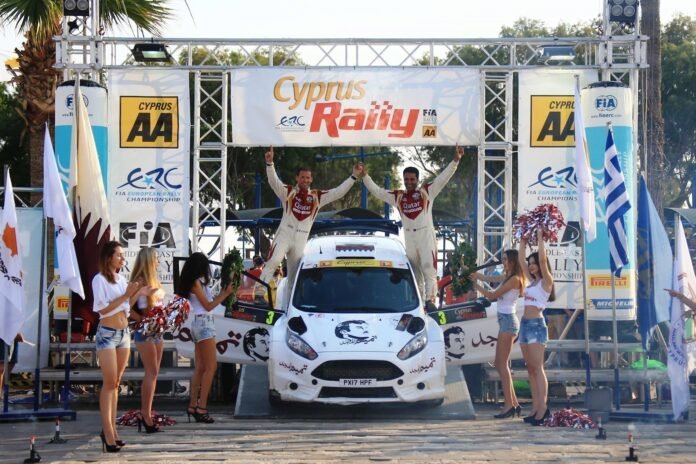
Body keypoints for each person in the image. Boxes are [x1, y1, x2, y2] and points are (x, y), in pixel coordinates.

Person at [362, 146, 463, 309]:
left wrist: (455, 161)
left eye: (412, 179)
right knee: (415, 273)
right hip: (409, 237)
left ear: (417, 179)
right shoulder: (398, 196)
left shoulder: (426, 192)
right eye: (406, 179)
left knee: (429, 269)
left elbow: (442, 179)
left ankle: (430, 302)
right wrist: (365, 177)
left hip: (425, 235)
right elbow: (378, 192)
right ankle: (421, 304)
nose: (409, 182)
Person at [261, 146, 362, 306]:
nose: (305, 180)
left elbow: (338, 192)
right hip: (285, 235)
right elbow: (274, 182)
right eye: (302, 177)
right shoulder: (288, 192)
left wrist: (353, 176)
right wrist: (269, 163)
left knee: (295, 279)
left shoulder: (317, 196)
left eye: (308, 178)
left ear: (311, 179)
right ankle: (260, 297)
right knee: (274, 261)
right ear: (297, 178)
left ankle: (289, 309)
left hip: (301, 240)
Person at [92, 241, 153, 453]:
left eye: (123, 255)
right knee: (109, 382)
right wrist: (128, 295)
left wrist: (138, 293)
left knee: (116, 383)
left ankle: (112, 430)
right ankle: (107, 431)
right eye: (119, 255)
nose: (122, 259)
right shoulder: (99, 280)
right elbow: (102, 309)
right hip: (107, 334)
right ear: (108, 257)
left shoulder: (121, 280)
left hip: (123, 333)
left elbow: (125, 307)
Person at [176, 252, 234, 424]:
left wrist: (222, 293)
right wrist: (225, 294)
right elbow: (208, 306)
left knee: (201, 367)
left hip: (199, 322)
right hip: (204, 323)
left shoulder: (197, 282)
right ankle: (201, 407)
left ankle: (193, 405)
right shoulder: (196, 283)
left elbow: (208, 303)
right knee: (210, 367)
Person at [470, 249, 525, 419]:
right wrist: (475, 276)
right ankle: (513, 403)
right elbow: (491, 279)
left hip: (508, 321)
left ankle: (509, 405)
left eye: (506, 259)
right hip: (505, 320)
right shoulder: (508, 277)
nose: (503, 262)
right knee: (502, 364)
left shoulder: (515, 279)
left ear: (513, 261)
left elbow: (492, 295)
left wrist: (475, 285)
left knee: (501, 364)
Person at [518, 228, 555, 426]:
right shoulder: (531, 282)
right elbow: (520, 260)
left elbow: (542, 259)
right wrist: (523, 241)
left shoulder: (546, 281)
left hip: (536, 326)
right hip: (525, 325)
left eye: (534, 263)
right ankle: (535, 407)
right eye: (530, 263)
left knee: (538, 368)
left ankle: (543, 408)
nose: (532, 266)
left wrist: (540, 238)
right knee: (530, 369)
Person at [128, 248, 166, 434]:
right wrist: (142, 321)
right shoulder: (139, 281)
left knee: (154, 373)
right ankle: (145, 415)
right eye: (156, 259)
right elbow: (126, 306)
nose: (158, 261)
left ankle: (147, 412)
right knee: (151, 372)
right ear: (149, 260)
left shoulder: (153, 280)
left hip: (157, 331)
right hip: (145, 332)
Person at [0, 332, 23, 401]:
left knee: (12, 363)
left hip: (12, 333)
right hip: (3, 332)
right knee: (1, 366)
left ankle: (1, 391)